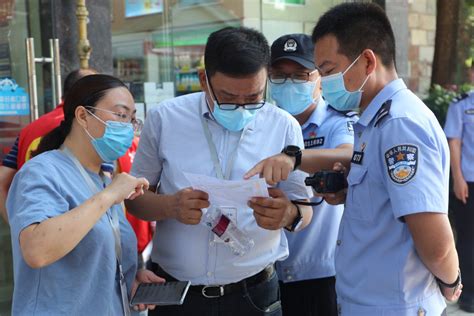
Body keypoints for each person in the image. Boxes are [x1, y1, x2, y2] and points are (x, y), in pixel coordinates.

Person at [245, 3, 462, 315]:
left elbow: (434, 239)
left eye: (329, 71)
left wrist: (451, 282)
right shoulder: (374, 123)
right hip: (369, 301)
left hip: (393, 305)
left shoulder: (400, 125)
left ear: (368, 61)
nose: (324, 80)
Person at [125, 26, 313, 316]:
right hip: (178, 294)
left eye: (253, 98)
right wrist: (170, 206)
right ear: (204, 80)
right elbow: (135, 198)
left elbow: (303, 208)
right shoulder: (165, 119)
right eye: (227, 98)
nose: (240, 108)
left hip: (254, 294)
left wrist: (288, 215)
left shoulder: (284, 126)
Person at [6, 74, 161, 315]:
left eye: (132, 119)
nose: (128, 128)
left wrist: (129, 280)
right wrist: (109, 196)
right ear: (82, 116)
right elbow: (37, 250)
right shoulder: (41, 172)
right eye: (121, 115)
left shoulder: (102, 178)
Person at [269, 33, 355, 316]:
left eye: (301, 75)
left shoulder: (336, 122)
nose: (289, 84)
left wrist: (294, 160)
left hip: (320, 272)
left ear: (320, 78)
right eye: (280, 76)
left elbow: (348, 155)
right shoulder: (265, 125)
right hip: (267, 271)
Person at [0, 68, 100, 224]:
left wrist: (16, 226)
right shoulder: (86, 128)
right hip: (78, 231)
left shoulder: (28, 130)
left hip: (33, 224)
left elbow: (2, 180)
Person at [444, 90, 474, 312]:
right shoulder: (461, 104)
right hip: (469, 182)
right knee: (468, 239)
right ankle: (469, 293)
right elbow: (454, 142)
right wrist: (458, 178)